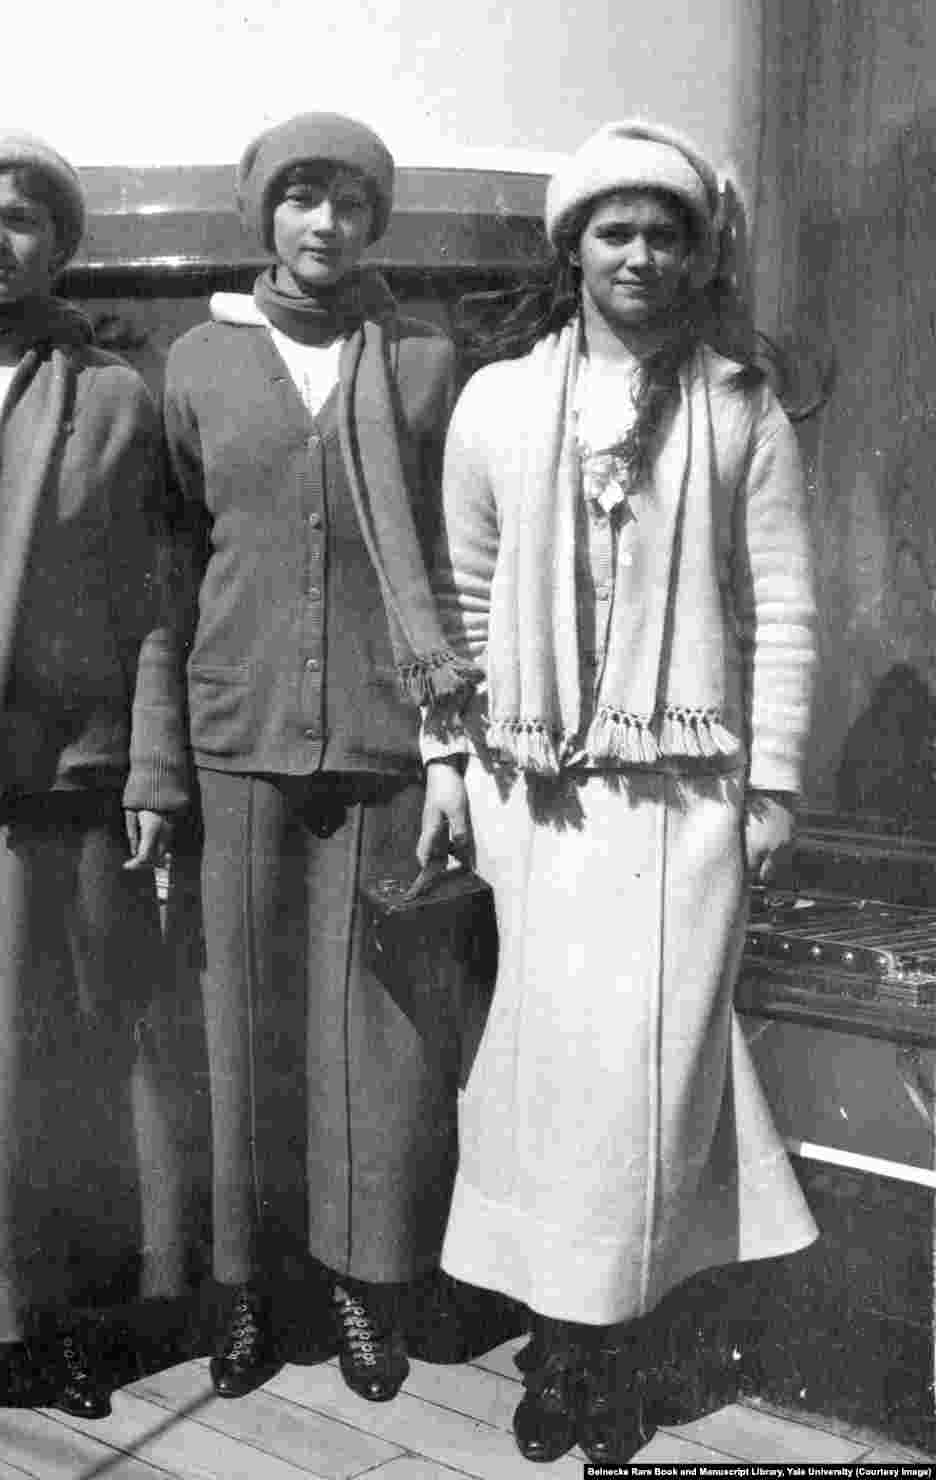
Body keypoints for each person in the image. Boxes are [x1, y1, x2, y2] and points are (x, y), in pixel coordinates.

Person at [417, 119, 819, 1464]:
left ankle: (623, 1359)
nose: (639, 255)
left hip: (685, 803)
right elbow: (467, 602)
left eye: (664, 232)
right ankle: (567, 1350)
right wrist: (459, 764)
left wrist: (769, 790)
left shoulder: (737, 404)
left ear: (696, 250)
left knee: (653, 1093)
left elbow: (783, 612)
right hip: (537, 795)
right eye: (615, 231)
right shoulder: (500, 403)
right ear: (572, 249)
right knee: (550, 1082)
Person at [163, 112, 469, 1404]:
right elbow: (175, 570)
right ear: (263, 217)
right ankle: (240, 1291)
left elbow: (453, 568)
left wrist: (451, 746)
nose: (325, 224)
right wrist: (154, 764)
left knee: (373, 1035)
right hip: (236, 736)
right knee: (237, 1028)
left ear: (374, 222)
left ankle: (363, 1283)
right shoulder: (195, 365)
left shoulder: (422, 364)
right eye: (300, 198)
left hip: (384, 743)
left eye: (349, 201)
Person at [0, 131, 189, 1418]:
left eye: (26, 219)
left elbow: (148, 606)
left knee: (70, 1067)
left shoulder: (117, 401)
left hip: (68, 778)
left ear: (60, 245)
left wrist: (151, 769)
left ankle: (66, 1327)